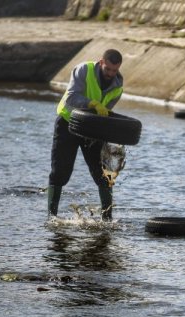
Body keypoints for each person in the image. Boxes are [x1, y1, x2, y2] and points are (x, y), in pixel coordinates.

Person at [47, 49, 124, 221]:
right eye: (108, 69)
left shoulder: (118, 87)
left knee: (104, 174)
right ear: (101, 62)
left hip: (93, 129)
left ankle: (107, 219)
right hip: (68, 123)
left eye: (115, 70)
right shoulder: (84, 70)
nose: (111, 74)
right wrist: (92, 103)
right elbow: (71, 98)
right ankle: (51, 216)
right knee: (60, 172)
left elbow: (106, 112)